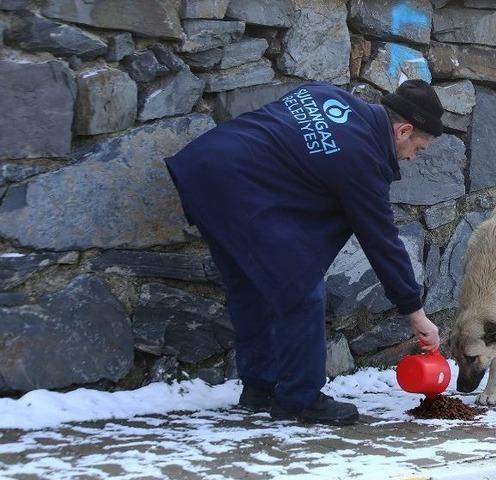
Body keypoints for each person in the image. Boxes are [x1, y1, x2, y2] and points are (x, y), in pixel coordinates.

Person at [164, 80, 443, 426]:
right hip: (240, 187)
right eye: (418, 147)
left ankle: (259, 388)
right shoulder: (363, 159)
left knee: (248, 287)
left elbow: (289, 143)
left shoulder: (328, 95)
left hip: (202, 171)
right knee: (304, 290)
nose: (413, 157)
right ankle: (301, 398)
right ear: (403, 130)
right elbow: (381, 241)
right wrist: (415, 313)